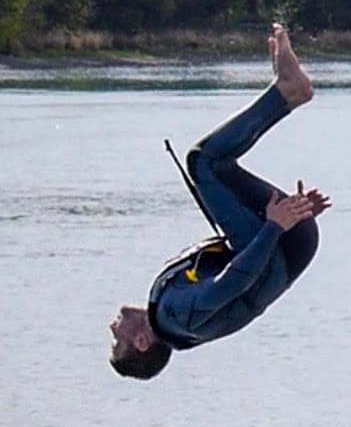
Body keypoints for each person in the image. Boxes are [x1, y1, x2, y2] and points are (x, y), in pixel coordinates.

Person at [109, 23, 330, 380]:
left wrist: (298, 216)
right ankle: (288, 91)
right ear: (141, 341)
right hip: (277, 244)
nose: (112, 330)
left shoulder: (173, 321)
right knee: (204, 163)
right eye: (117, 342)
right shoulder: (178, 317)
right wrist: (276, 225)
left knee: (214, 166)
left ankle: (288, 91)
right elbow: (233, 282)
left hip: (283, 243)